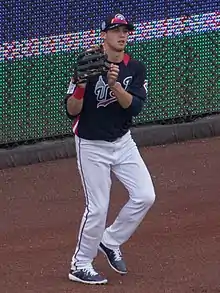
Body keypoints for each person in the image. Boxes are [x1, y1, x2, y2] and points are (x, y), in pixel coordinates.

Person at [64, 13, 156, 285]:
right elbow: (71, 111)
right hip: (91, 144)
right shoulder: (87, 65)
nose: (122, 34)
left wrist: (115, 85)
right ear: (103, 35)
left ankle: (110, 239)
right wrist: (80, 86)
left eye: (125, 30)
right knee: (98, 207)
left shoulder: (135, 68)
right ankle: (80, 264)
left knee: (145, 196)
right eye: (115, 30)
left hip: (123, 142)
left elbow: (135, 107)